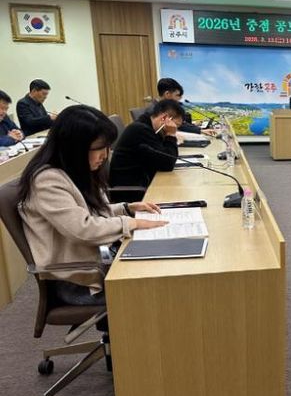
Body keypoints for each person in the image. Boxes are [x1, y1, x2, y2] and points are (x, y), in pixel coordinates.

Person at [18, 105, 167, 306]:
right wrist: (131, 223)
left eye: (107, 147)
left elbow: (90, 212)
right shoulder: (47, 180)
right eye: (99, 148)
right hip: (78, 280)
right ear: (74, 147)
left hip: (96, 261)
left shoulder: (74, 170)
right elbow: (84, 229)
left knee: (162, 267)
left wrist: (126, 208)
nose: (105, 155)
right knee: (160, 288)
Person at [109, 99, 184, 188]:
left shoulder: (148, 126)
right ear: (164, 118)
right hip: (132, 189)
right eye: (175, 126)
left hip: (142, 182)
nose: (175, 129)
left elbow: (165, 157)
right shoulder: (141, 130)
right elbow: (168, 164)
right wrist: (171, 134)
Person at [147, 78, 213, 135]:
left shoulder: (164, 108)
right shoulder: (154, 112)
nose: (179, 99)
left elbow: (180, 124)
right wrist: (200, 130)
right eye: (177, 95)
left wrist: (200, 130)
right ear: (167, 94)